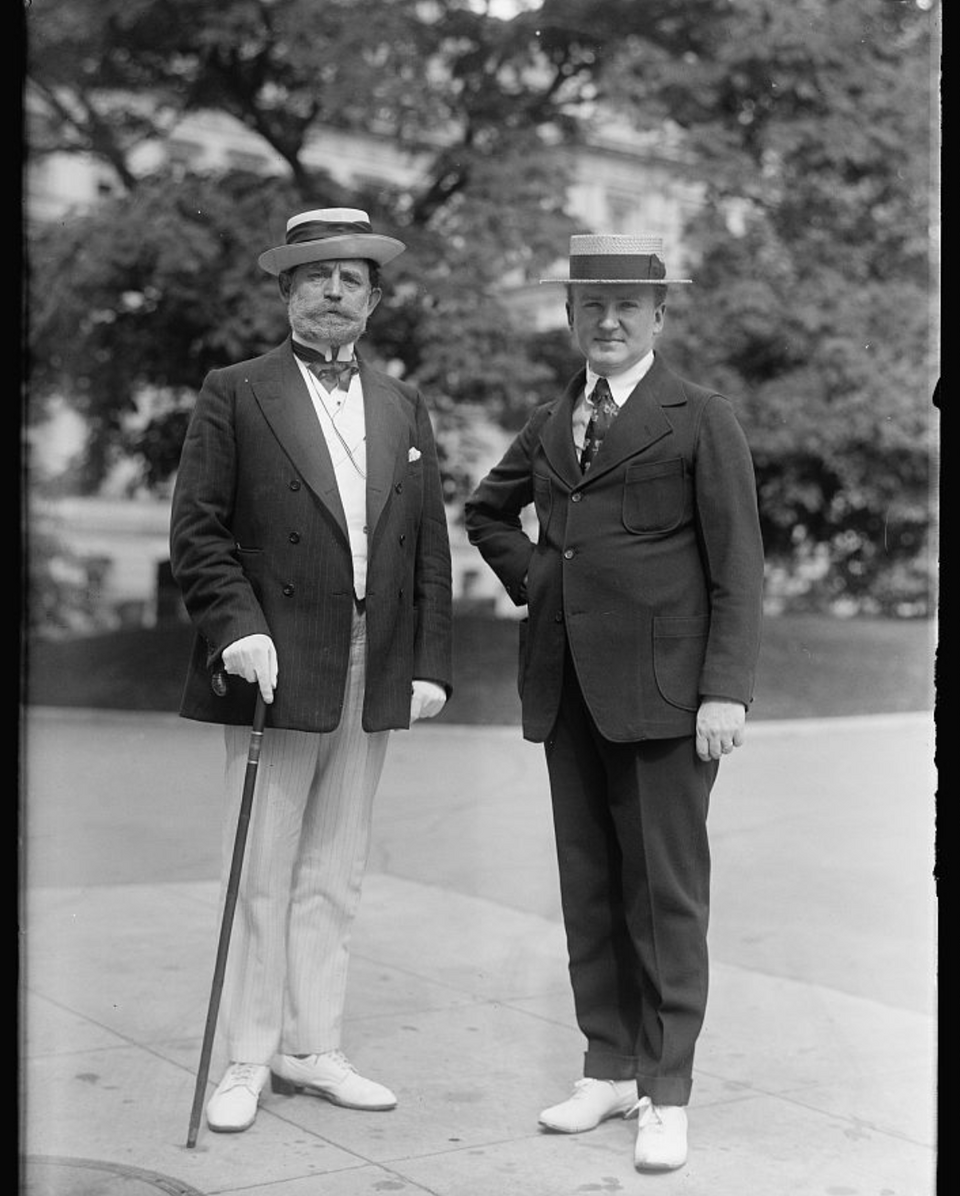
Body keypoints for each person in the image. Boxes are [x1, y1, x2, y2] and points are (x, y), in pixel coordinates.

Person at [463, 233, 764, 1172]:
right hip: (567, 689)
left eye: (629, 306)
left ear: (659, 318)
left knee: (664, 895)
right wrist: (543, 580)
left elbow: (739, 568)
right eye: (591, 304)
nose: (608, 320)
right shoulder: (554, 419)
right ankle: (608, 1064)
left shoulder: (700, 415)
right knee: (589, 884)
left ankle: (666, 1090)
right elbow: (486, 511)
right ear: (568, 316)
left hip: (670, 699)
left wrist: (725, 690)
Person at [169, 207, 453, 1134]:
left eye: (353, 279)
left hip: (374, 660)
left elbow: (427, 550)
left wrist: (428, 661)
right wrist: (235, 628)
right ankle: (247, 1056)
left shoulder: (405, 405)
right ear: (287, 290)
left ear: (373, 301)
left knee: (337, 867)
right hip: (277, 662)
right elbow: (199, 528)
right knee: (261, 865)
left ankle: (311, 1044)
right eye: (317, 276)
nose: (335, 293)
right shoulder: (236, 390)